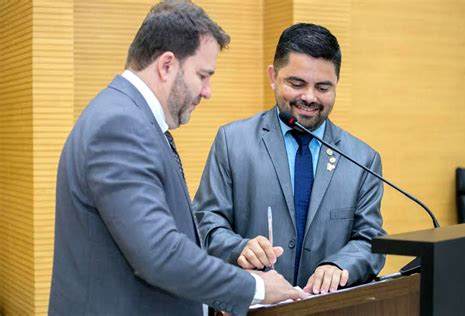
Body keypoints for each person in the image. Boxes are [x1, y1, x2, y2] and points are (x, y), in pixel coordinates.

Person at [48, 1, 304, 315]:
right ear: (167, 65)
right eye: (203, 75)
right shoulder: (120, 125)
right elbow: (160, 255)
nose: (208, 91)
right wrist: (258, 288)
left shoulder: (130, 117)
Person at [193, 23, 386, 295]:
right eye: (296, 84)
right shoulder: (232, 142)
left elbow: (371, 240)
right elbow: (205, 223)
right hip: (253, 306)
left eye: (322, 87)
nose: (309, 97)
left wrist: (339, 265)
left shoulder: (362, 159)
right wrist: (239, 248)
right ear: (273, 76)